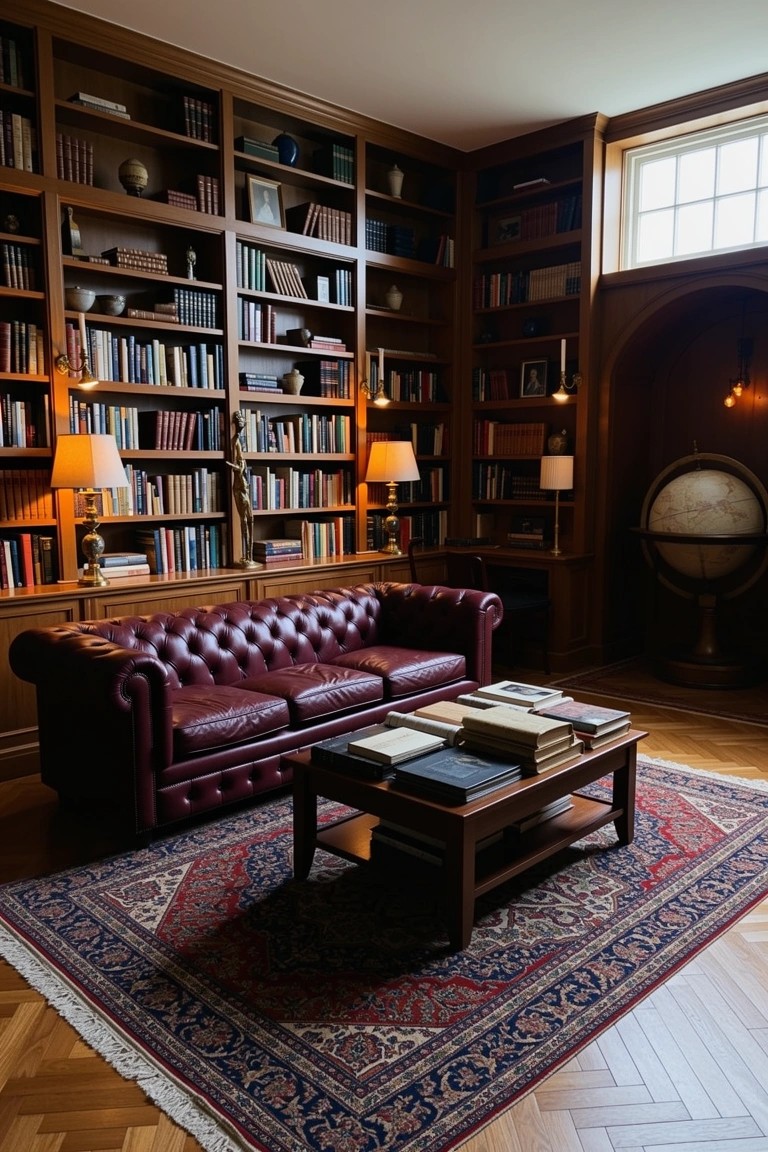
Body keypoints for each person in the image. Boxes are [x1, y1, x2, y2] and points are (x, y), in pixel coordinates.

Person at [226, 411, 255, 565]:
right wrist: (236, 467)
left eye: (243, 422)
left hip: (243, 484)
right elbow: (239, 463)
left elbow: (241, 464)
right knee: (244, 519)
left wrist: (237, 466)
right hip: (239, 486)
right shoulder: (235, 440)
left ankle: (249, 555)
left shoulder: (239, 441)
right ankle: (247, 555)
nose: (241, 424)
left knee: (250, 519)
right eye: (239, 422)